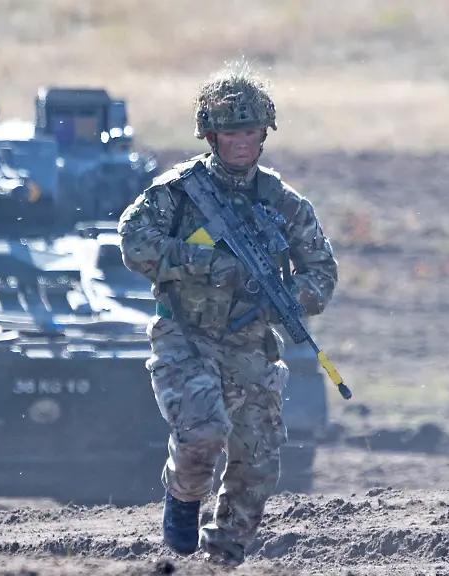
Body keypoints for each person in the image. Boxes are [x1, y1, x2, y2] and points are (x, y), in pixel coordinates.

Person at [116, 60, 338, 566]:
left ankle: (223, 557)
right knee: (203, 432)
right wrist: (208, 264)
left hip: (251, 343)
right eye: (231, 132)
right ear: (211, 136)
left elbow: (321, 271)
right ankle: (183, 494)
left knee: (258, 460)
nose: (242, 142)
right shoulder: (179, 192)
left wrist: (285, 296)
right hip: (186, 335)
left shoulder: (283, 203)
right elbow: (133, 242)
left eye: (251, 132)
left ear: (264, 134)